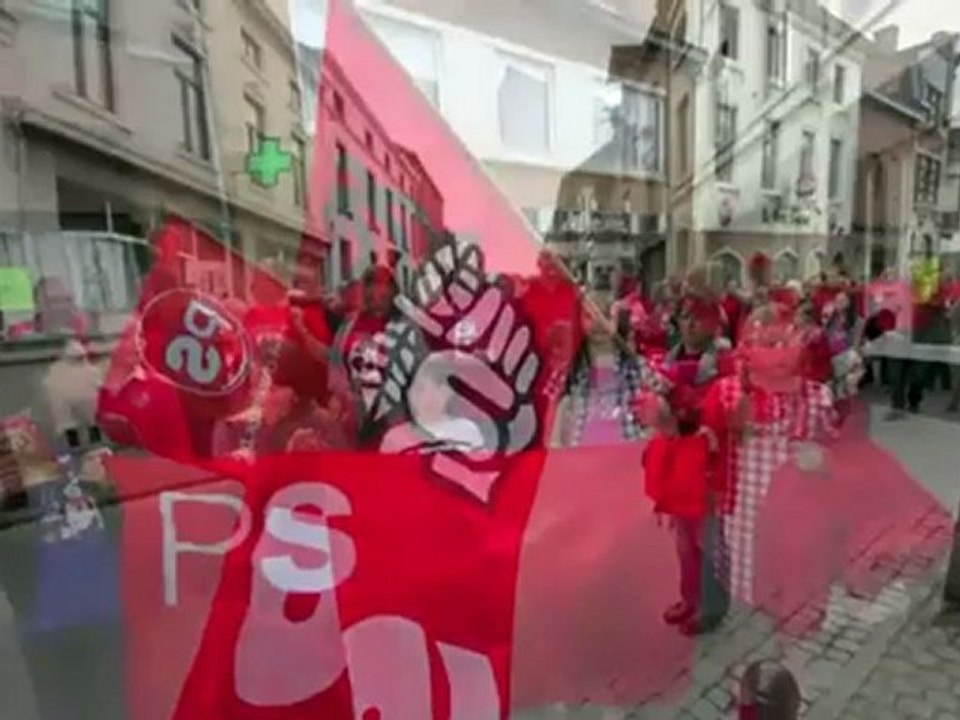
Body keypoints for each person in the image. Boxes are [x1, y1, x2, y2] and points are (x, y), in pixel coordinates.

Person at [639, 295, 733, 636]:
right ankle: (689, 597)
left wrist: (687, 404)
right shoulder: (669, 360)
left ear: (714, 324)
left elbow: (726, 410)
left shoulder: (724, 363)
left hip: (707, 464)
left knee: (707, 538)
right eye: (685, 317)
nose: (690, 324)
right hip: (677, 463)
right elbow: (652, 408)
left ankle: (713, 604)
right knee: (682, 538)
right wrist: (658, 402)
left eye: (699, 318)